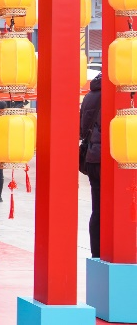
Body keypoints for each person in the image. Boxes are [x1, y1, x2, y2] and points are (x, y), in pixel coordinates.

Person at [80, 75, 103, 258]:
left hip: (92, 157)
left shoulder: (89, 95)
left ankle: (97, 254)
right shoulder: (121, 92)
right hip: (113, 158)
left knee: (98, 210)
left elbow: (81, 129)